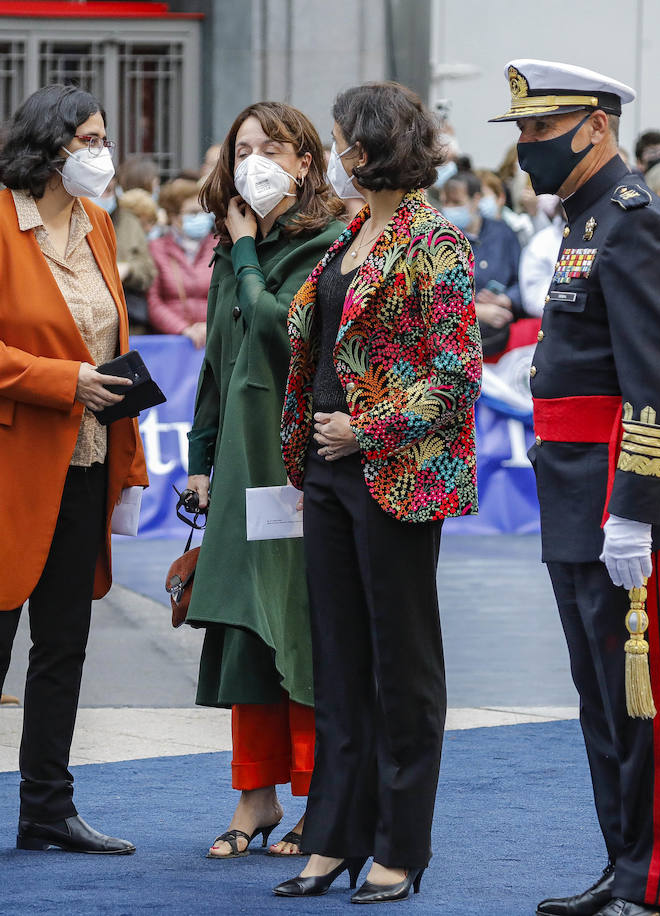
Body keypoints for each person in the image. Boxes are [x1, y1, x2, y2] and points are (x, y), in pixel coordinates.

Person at [0, 82, 149, 869]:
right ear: (48, 145)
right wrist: (61, 380)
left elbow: (107, 342)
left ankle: (49, 806)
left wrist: (125, 452)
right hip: (0, 462)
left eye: (103, 139)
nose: (100, 154)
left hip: (82, 461)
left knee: (64, 644)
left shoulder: (101, 224)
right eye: (88, 139)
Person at [491, 59, 660, 916]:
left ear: (597, 126)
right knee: (601, 700)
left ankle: (656, 888)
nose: (526, 148)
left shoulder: (635, 223)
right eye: (520, 132)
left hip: (627, 499)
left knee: (645, 700)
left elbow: (659, 381)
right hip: (574, 489)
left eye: (540, 131)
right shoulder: (586, 222)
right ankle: (624, 865)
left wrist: (634, 512)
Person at [274, 80, 480, 905]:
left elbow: (457, 373)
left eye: (338, 141)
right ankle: (334, 836)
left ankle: (400, 844)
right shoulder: (349, 233)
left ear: (372, 146)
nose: (331, 156)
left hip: (392, 472)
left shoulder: (437, 242)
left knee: (402, 666)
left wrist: (371, 427)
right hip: (325, 473)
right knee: (339, 659)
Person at [182, 101, 345, 863]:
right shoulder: (229, 247)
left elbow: (285, 332)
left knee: (295, 621)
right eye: (241, 147)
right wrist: (198, 461)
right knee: (244, 627)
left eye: (271, 147)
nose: (253, 160)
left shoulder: (330, 243)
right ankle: (256, 794)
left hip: (295, 466)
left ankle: (319, 792)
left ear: (306, 161)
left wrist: (247, 253)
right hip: (240, 464)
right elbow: (218, 362)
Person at [439, 171, 522, 356]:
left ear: (476, 200)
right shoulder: (440, 240)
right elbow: (433, 296)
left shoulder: (503, 234)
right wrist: (474, 311)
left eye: (456, 203)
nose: (448, 208)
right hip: (456, 345)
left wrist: (507, 299)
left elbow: (522, 280)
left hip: (502, 340)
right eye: (445, 202)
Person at [146, 178, 215, 344]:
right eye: (192, 212)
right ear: (174, 217)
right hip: (172, 341)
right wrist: (183, 329)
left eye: (203, 212)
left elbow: (231, 297)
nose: (200, 217)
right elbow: (153, 301)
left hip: (214, 339)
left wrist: (211, 327)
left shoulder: (219, 247)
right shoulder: (157, 248)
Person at [110, 157, 157, 333]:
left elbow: (148, 270)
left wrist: (129, 269)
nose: (102, 196)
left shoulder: (128, 220)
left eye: (109, 190)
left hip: (128, 321)